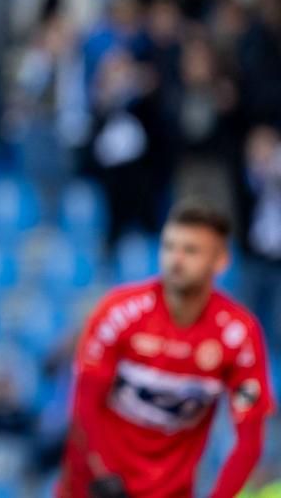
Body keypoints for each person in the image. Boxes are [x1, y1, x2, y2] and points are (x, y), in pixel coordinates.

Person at [58, 200, 274, 498]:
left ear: (220, 260)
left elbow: (249, 440)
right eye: (169, 247)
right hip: (95, 488)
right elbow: (84, 406)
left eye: (191, 250)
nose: (176, 259)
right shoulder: (118, 313)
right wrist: (103, 474)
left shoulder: (239, 337)